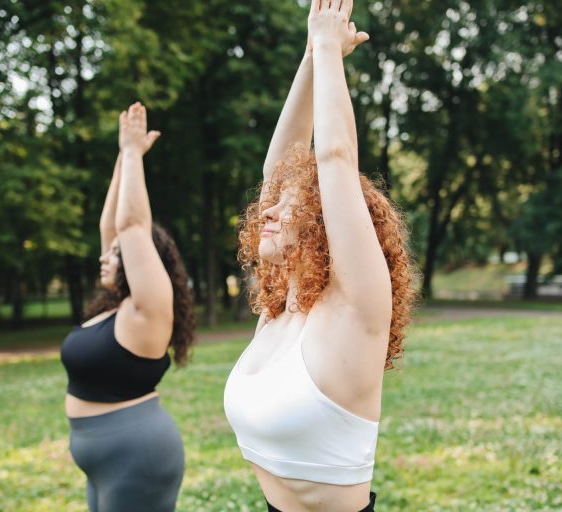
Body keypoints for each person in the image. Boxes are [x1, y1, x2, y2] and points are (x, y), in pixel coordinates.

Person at [224, 1, 417, 511]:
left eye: (289, 206)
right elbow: (276, 170)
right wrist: (311, 55)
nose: (268, 210)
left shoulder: (355, 309)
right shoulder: (280, 311)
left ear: (325, 225)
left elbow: (335, 159)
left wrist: (330, 47)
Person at [60, 102, 195, 512]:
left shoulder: (148, 310)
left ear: (143, 262)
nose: (105, 256)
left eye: (117, 253)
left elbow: (131, 225)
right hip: (100, 458)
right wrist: (124, 156)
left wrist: (135, 154)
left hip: (136, 457)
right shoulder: (114, 307)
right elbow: (111, 225)